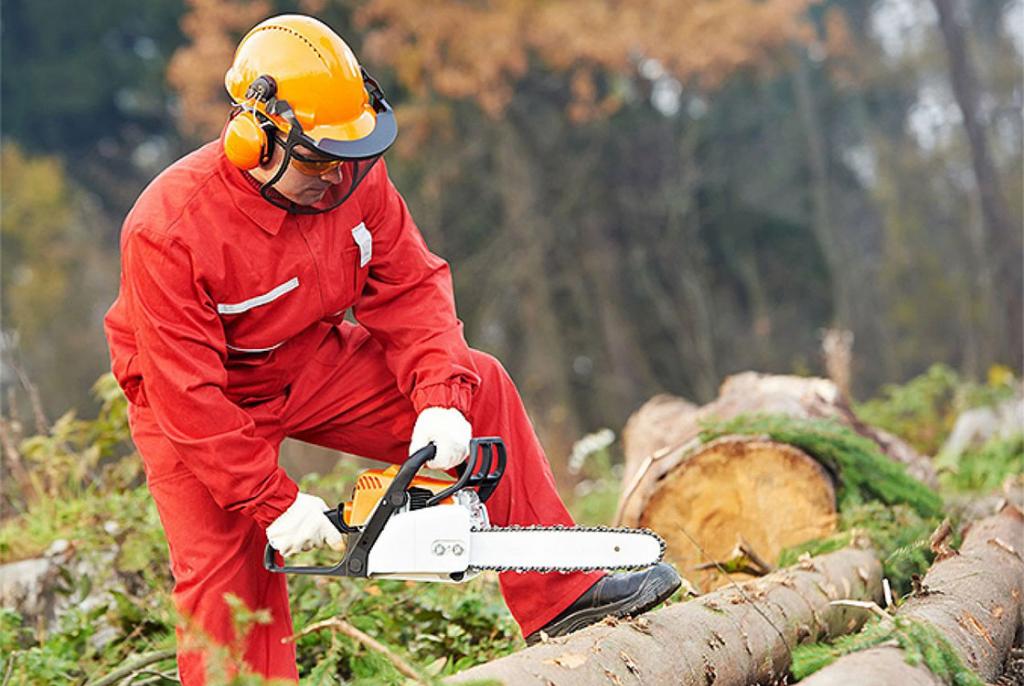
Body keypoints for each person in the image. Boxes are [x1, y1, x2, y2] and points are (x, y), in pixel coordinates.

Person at [104, 14, 680, 684]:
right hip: (195, 402)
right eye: (319, 160)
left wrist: (440, 400)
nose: (336, 177)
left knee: (481, 384)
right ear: (253, 140)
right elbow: (187, 395)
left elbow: (411, 287)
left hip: (307, 359)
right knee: (227, 581)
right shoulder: (168, 230)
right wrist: (273, 501)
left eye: (346, 157)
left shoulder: (354, 179)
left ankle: (562, 597)